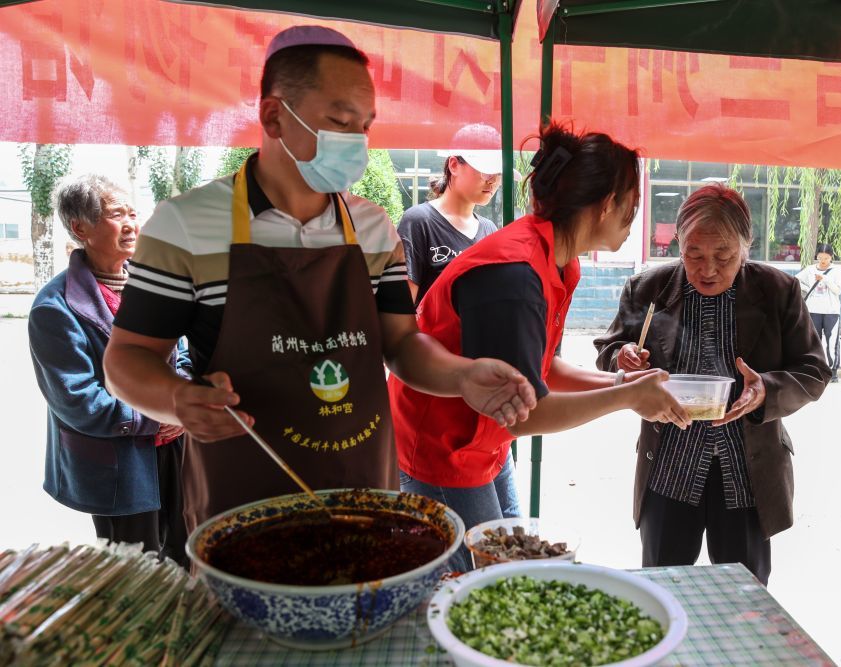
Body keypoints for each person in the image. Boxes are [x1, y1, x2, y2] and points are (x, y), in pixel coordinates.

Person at [103, 25, 536, 534]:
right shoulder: (187, 226)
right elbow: (126, 359)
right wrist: (176, 399)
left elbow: (400, 343)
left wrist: (460, 376)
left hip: (364, 489)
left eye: (365, 126)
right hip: (243, 503)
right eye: (339, 121)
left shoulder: (374, 229)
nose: (355, 141)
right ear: (272, 115)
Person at [389, 123, 686, 571]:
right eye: (634, 204)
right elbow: (529, 411)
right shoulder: (516, 273)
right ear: (608, 205)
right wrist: (626, 397)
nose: (634, 215)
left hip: (485, 441)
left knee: (514, 563)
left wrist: (622, 380)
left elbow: (541, 369)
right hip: (440, 446)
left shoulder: (556, 261)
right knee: (487, 580)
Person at [594, 183, 831, 586]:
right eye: (694, 254)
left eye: (724, 256)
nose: (707, 269)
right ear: (679, 246)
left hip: (746, 471)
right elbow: (610, 349)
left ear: (746, 247)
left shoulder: (777, 291)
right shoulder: (648, 289)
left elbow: (813, 370)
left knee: (745, 596)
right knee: (664, 591)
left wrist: (766, 391)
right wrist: (622, 358)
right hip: (669, 468)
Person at [28, 175, 190, 564]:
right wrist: (155, 418)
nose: (132, 223)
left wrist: (182, 401)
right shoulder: (55, 308)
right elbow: (78, 400)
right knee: (136, 570)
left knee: (188, 554)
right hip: (121, 463)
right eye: (118, 214)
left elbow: (183, 351)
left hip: (177, 448)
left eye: (134, 213)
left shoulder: (152, 280)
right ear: (80, 228)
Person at [397, 124, 505, 305]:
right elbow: (402, 310)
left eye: (498, 173)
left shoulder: (489, 229)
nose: (493, 181)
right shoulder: (418, 221)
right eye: (486, 172)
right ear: (454, 165)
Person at [795, 242, 841, 381]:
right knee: (814, 340)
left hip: (831, 311)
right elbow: (796, 280)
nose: (823, 261)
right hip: (813, 310)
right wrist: (807, 287)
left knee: (832, 340)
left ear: (831, 257)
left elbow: (838, 290)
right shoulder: (810, 270)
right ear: (817, 256)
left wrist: (825, 279)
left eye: (826, 258)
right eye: (820, 258)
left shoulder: (836, 271)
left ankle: (833, 371)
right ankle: (815, 368)